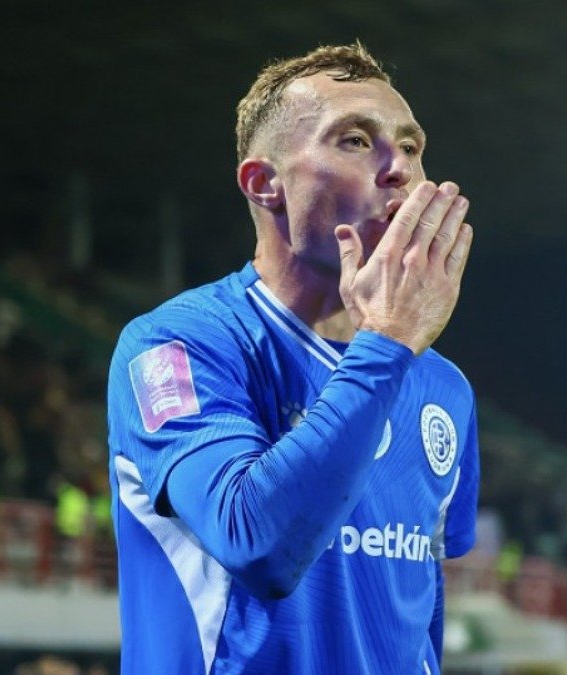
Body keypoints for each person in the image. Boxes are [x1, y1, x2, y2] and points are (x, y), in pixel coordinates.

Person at [107, 42, 478, 674]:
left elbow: (417, 611)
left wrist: (390, 347)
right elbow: (259, 544)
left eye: (411, 146)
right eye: (355, 140)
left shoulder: (444, 387)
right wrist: (386, 344)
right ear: (264, 183)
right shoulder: (175, 345)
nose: (400, 169)